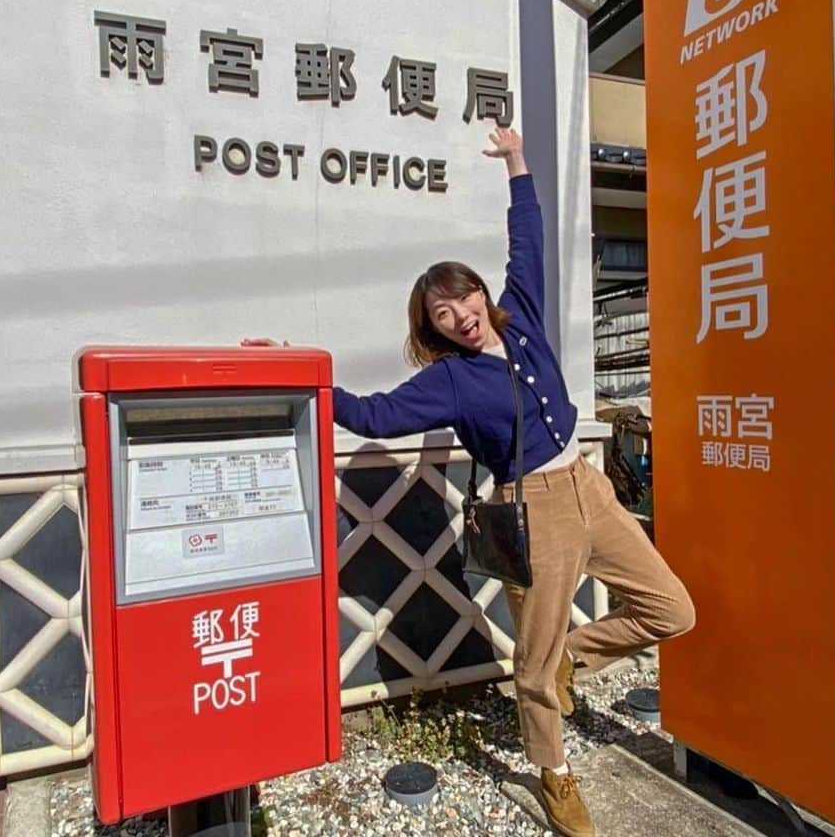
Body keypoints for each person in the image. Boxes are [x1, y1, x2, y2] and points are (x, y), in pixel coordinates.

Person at [245, 127, 694, 837]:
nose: (459, 315)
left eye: (463, 297)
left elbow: (530, 240)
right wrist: (297, 372)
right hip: (531, 510)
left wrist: (517, 163)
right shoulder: (449, 380)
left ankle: (573, 656)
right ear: (435, 327)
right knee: (533, 671)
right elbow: (370, 414)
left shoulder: (525, 321)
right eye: (442, 313)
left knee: (672, 609)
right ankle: (554, 776)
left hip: (590, 487)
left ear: (481, 290)